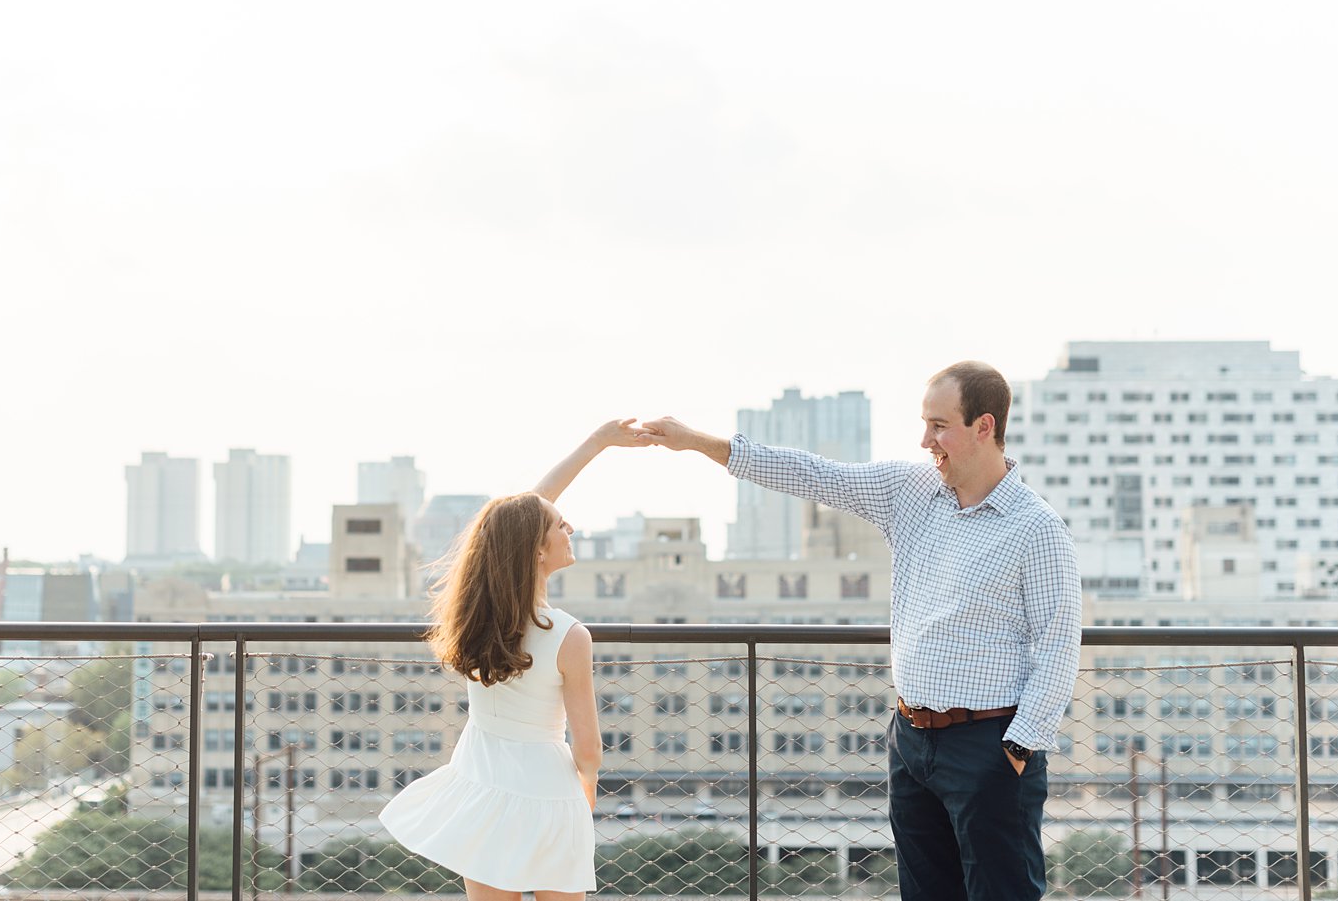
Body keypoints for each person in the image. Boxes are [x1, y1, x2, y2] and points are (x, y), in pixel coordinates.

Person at [641, 362, 1081, 901]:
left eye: (939, 425)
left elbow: (1059, 645)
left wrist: (1016, 749)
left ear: (984, 426)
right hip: (912, 744)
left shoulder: (1037, 528)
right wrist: (699, 443)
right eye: (925, 424)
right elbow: (813, 474)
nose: (926, 440)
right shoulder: (910, 491)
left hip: (988, 749)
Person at [380, 419, 650, 901]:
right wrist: (586, 791)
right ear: (537, 550)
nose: (571, 528)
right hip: (549, 794)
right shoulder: (569, 636)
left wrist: (595, 444)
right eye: (560, 526)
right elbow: (588, 748)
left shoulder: (477, 614)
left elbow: (513, 523)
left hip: (482, 782)